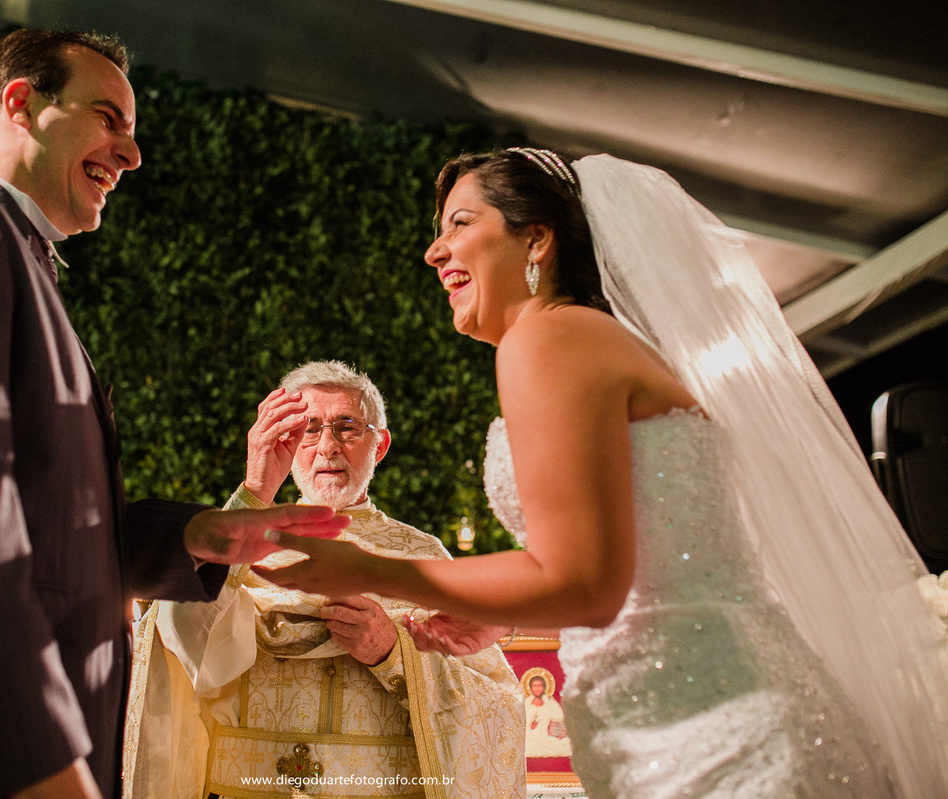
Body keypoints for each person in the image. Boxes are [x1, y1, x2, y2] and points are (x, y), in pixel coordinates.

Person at [258, 149, 948, 796]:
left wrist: (363, 568)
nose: (434, 249)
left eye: (460, 224)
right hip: (715, 707)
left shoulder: (546, 336)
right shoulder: (594, 340)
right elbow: (661, 556)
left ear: (537, 240)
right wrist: (492, 611)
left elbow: (585, 585)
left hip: (713, 733)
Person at [0, 30, 347, 799]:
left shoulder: (18, 261)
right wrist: (39, 768)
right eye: (110, 118)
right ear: (22, 104)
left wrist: (192, 537)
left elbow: (36, 520)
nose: (132, 154)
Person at [123, 361, 525, 798]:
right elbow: (183, 647)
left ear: (380, 444)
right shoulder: (244, 541)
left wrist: (394, 652)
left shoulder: (424, 556)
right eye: (308, 430)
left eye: (347, 427)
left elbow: (497, 704)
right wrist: (255, 493)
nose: (327, 447)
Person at [521, 671, 569, 759]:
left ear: (544, 687)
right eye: (534, 686)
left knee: (565, 746)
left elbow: (559, 717)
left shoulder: (550, 703)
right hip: (528, 738)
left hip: (545, 736)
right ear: (530, 687)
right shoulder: (526, 703)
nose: (537, 689)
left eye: (540, 686)